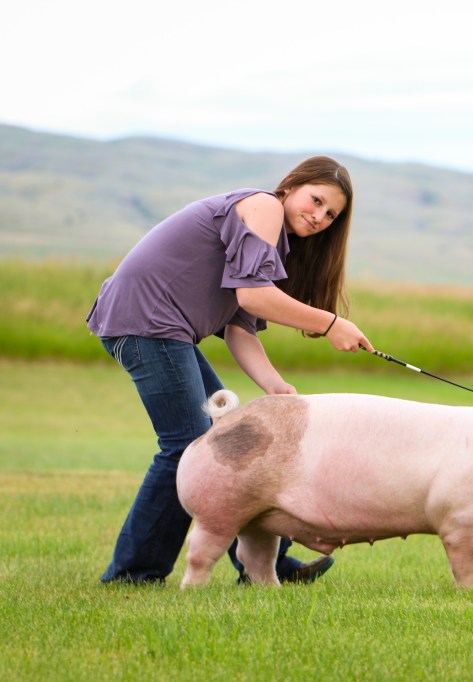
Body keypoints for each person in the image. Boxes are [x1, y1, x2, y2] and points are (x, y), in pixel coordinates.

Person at [87, 155, 374, 585]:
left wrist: (276, 386)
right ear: (291, 185)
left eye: (330, 215)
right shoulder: (264, 207)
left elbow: (241, 328)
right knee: (186, 444)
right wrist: (332, 324)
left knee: (230, 445)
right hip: (146, 322)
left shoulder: (275, 241)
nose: (319, 217)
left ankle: (265, 567)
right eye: (316, 200)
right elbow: (253, 297)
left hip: (165, 330)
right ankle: (133, 574)